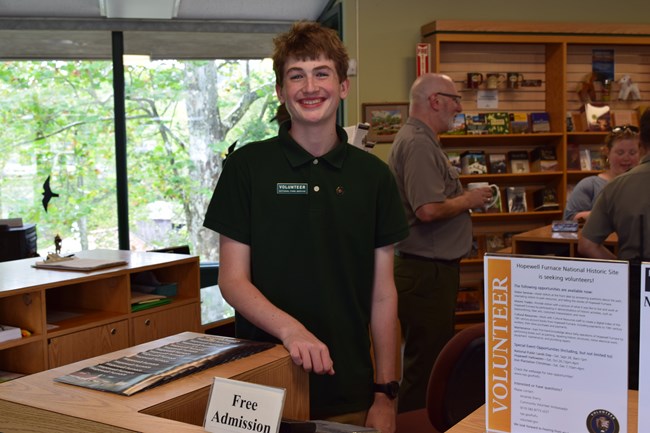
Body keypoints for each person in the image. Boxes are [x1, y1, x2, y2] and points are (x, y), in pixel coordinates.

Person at [203, 21, 409, 431]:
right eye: (296, 75)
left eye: (321, 73)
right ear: (280, 91)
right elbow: (232, 280)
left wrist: (386, 393)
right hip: (260, 385)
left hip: (349, 387)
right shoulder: (247, 168)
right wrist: (292, 331)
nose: (309, 86)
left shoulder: (374, 177)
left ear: (343, 86)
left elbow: (383, 296)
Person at [387, 73, 491, 412]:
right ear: (435, 101)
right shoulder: (417, 143)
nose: (459, 107)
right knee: (426, 366)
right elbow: (428, 209)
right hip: (426, 271)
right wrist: (471, 199)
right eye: (455, 99)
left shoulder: (424, 140)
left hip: (430, 269)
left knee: (428, 360)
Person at [579, 109, 650, 390]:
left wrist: (623, 268)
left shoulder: (618, 186)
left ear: (642, 141)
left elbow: (587, 244)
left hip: (636, 287)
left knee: (635, 372)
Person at [564, 126, 640, 221]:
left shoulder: (644, 184)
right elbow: (569, 219)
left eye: (632, 153)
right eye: (620, 153)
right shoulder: (590, 185)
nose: (626, 158)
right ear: (607, 153)